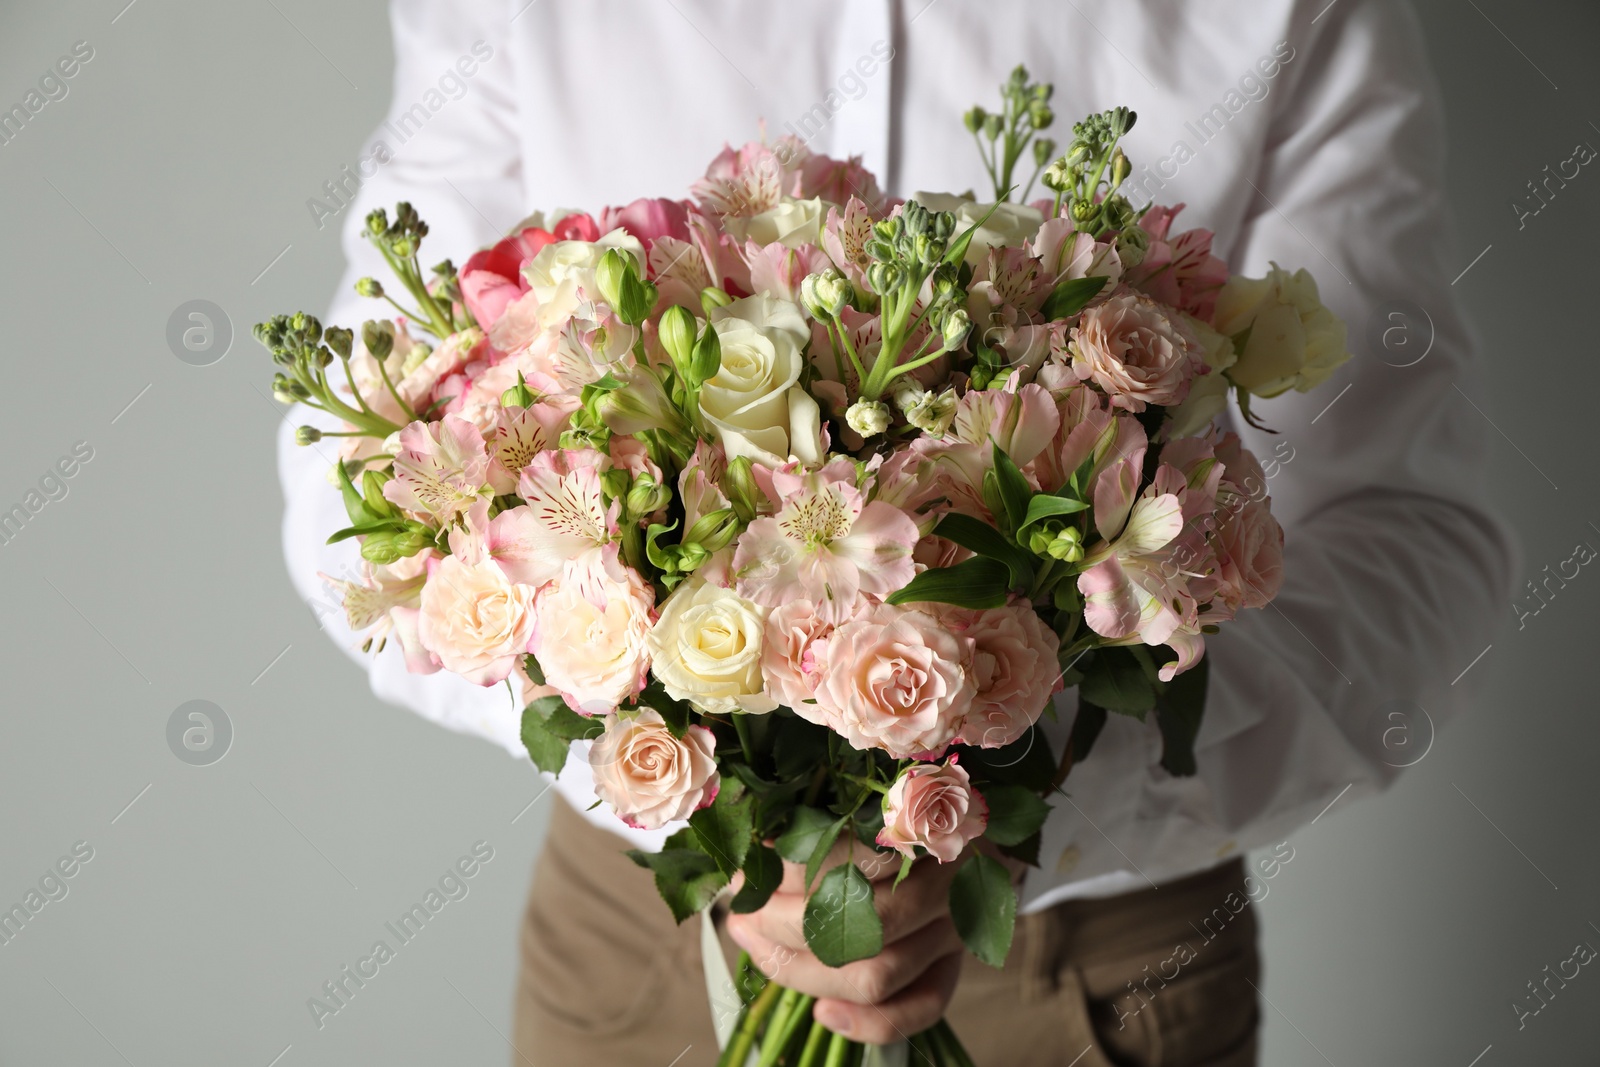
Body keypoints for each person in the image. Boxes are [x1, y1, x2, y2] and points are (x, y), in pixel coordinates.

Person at [278, 1, 1514, 1063]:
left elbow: (1416, 536)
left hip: (1077, 974)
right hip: (641, 938)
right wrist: (708, 795)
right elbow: (357, 479)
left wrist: (1011, 807)